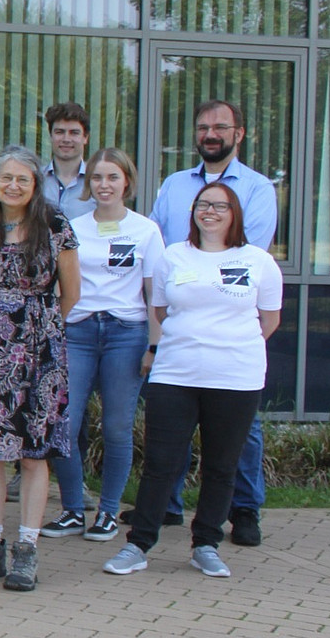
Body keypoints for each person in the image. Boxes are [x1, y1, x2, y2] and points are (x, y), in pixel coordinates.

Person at [104, 181, 281, 580]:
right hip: (175, 375)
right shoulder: (173, 256)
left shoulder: (258, 261)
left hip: (236, 379)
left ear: (235, 214)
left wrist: (227, 345)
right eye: (203, 204)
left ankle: (206, 545)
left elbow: (269, 320)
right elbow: (161, 311)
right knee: (160, 464)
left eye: (220, 206)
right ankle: (138, 545)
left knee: (221, 466)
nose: (210, 212)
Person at [0, 146, 80, 592]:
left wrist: (35, 329)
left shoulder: (55, 224)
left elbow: (71, 292)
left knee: (32, 451)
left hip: (39, 353)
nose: (14, 186)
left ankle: (26, 549)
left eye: (23, 178)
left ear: (35, 183)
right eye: (6, 178)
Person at [148, 99, 276, 546]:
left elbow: (249, 254)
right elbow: (158, 246)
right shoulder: (174, 185)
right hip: (182, 327)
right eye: (203, 127)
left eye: (220, 127)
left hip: (231, 335)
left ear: (239, 134)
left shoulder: (258, 188)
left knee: (242, 434)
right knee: (175, 428)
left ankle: (244, 511)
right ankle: (167, 506)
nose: (211, 134)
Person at [45, 147, 165, 543]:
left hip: (125, 333)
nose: (104, 184)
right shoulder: (72, 226)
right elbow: (59, 284)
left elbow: (155, 294)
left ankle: (109, 512)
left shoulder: (146, 230)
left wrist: (153, 346)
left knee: (116, 427)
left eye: (113, 177)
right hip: (78, 331)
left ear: (127, 181)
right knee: (65, 424)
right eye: (97, 177)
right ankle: (72, 510)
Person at [42, 102, 97, 220]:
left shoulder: (97, 181)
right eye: (59, 132)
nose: (66, 139)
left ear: (85, 138)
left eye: (74, 133)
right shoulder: (35, 179)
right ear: (51, 136)